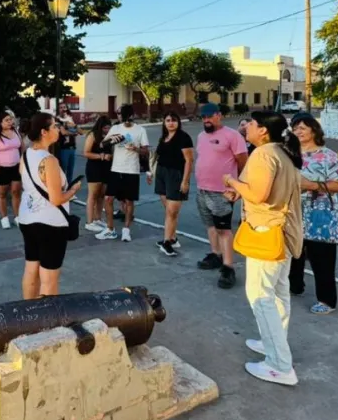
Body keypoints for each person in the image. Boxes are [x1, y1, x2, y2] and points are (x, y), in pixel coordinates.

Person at [223, 111, 304, 386]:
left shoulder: (263, 154)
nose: (246, 127)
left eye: (252, 124)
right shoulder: (284, 152)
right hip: (284, 232)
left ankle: (279, 365)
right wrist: (241, 188)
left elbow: (258, 195)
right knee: (279, 293)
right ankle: (272, 341)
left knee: (260, 295)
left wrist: (232, 182)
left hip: (266, 231)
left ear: (264, 131)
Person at [288, 114, 338, 314]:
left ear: (314, 130)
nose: (299, 132)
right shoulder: (288, 153)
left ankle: (326, 299)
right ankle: (294, 286)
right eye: (295, 128)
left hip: (319, 212)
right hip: (292, 211)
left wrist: (311, 185)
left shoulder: (327, 155)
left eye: (303, 128)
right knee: (292, 252)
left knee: (321, 257)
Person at [18, 112, 82, 298]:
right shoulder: (49, 161)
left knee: (31, 268)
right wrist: (73, 190)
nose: (57, 130)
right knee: (49, 277)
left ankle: (27, 313)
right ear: (44, 132)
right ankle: (46, 321)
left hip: (28, 218)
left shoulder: (26, 155)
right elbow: (56, 199)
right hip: (50, 223)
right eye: (54, 126)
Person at [194, 103, 248, 288]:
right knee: (210, 225)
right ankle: (215, 255)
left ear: (219, 116)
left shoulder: (232, 136)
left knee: (223, 230)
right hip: (202, 189)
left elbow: (243, 162)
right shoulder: (201, 136)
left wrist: (239, 187)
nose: (206, 120)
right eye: (204, 117)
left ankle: (228, 267)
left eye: (210, 116)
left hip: (222, 192)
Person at [147, 112, 194, 257]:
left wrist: (185, 181)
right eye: (168, 120)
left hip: (176, 175)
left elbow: (189, 160)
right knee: (168, 210)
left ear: (178, 122)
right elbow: (157, 156)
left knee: (172, 211)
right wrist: (151, 173)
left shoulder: (183, 138)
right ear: (164, 123)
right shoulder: (164, 137)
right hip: (161, 174)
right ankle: (172, 238)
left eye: (174, 120)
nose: (171, 123)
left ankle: (167, 242)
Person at [100, 104, 149, 243]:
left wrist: (136, 149)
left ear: (132, 116)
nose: (124, 118)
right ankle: (110, 229)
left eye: (127, 115)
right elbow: (103, 144)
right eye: (121, 115)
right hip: (116, 169)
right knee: (108, 199)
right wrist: (112, 140)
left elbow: (146, 151)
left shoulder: (140, 130)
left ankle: (126, 230)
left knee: (129, 201)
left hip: (131, 170)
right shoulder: (115, 128)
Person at [0, 112, 23, 229]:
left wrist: (22, 163)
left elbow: (22, 148)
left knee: (16, 192)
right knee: (2, 194)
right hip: (1, 169)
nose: (10, 122)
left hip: (16, 167)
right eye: (7, 120)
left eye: (10, 119)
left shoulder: (16, 132)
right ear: (0, 122)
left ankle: (17, 217)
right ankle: (4, 218)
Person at [83, 116, 113, 234]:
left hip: (106, 168)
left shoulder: (110, 136)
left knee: (101, 195)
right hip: (94, 167)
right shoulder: (92, 135)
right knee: (93, 195)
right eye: (105, 128)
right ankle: (89, 222)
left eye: (108, 127)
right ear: (100, 127)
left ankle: (98, 218)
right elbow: (86, 153)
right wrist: (101, 156)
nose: (107, 130)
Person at [56, 103, 80, 183]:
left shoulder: (70, 119)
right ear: (58, 109)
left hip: (72, 148)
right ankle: (62, 187)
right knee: (63, 169)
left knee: (70, 170)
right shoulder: (57, 120)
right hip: (63, 148)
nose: (63, 109)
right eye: (61, 107)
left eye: (64, 107)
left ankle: (69, 186)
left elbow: (76, 131)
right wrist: (73, 133)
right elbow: (63, 132)